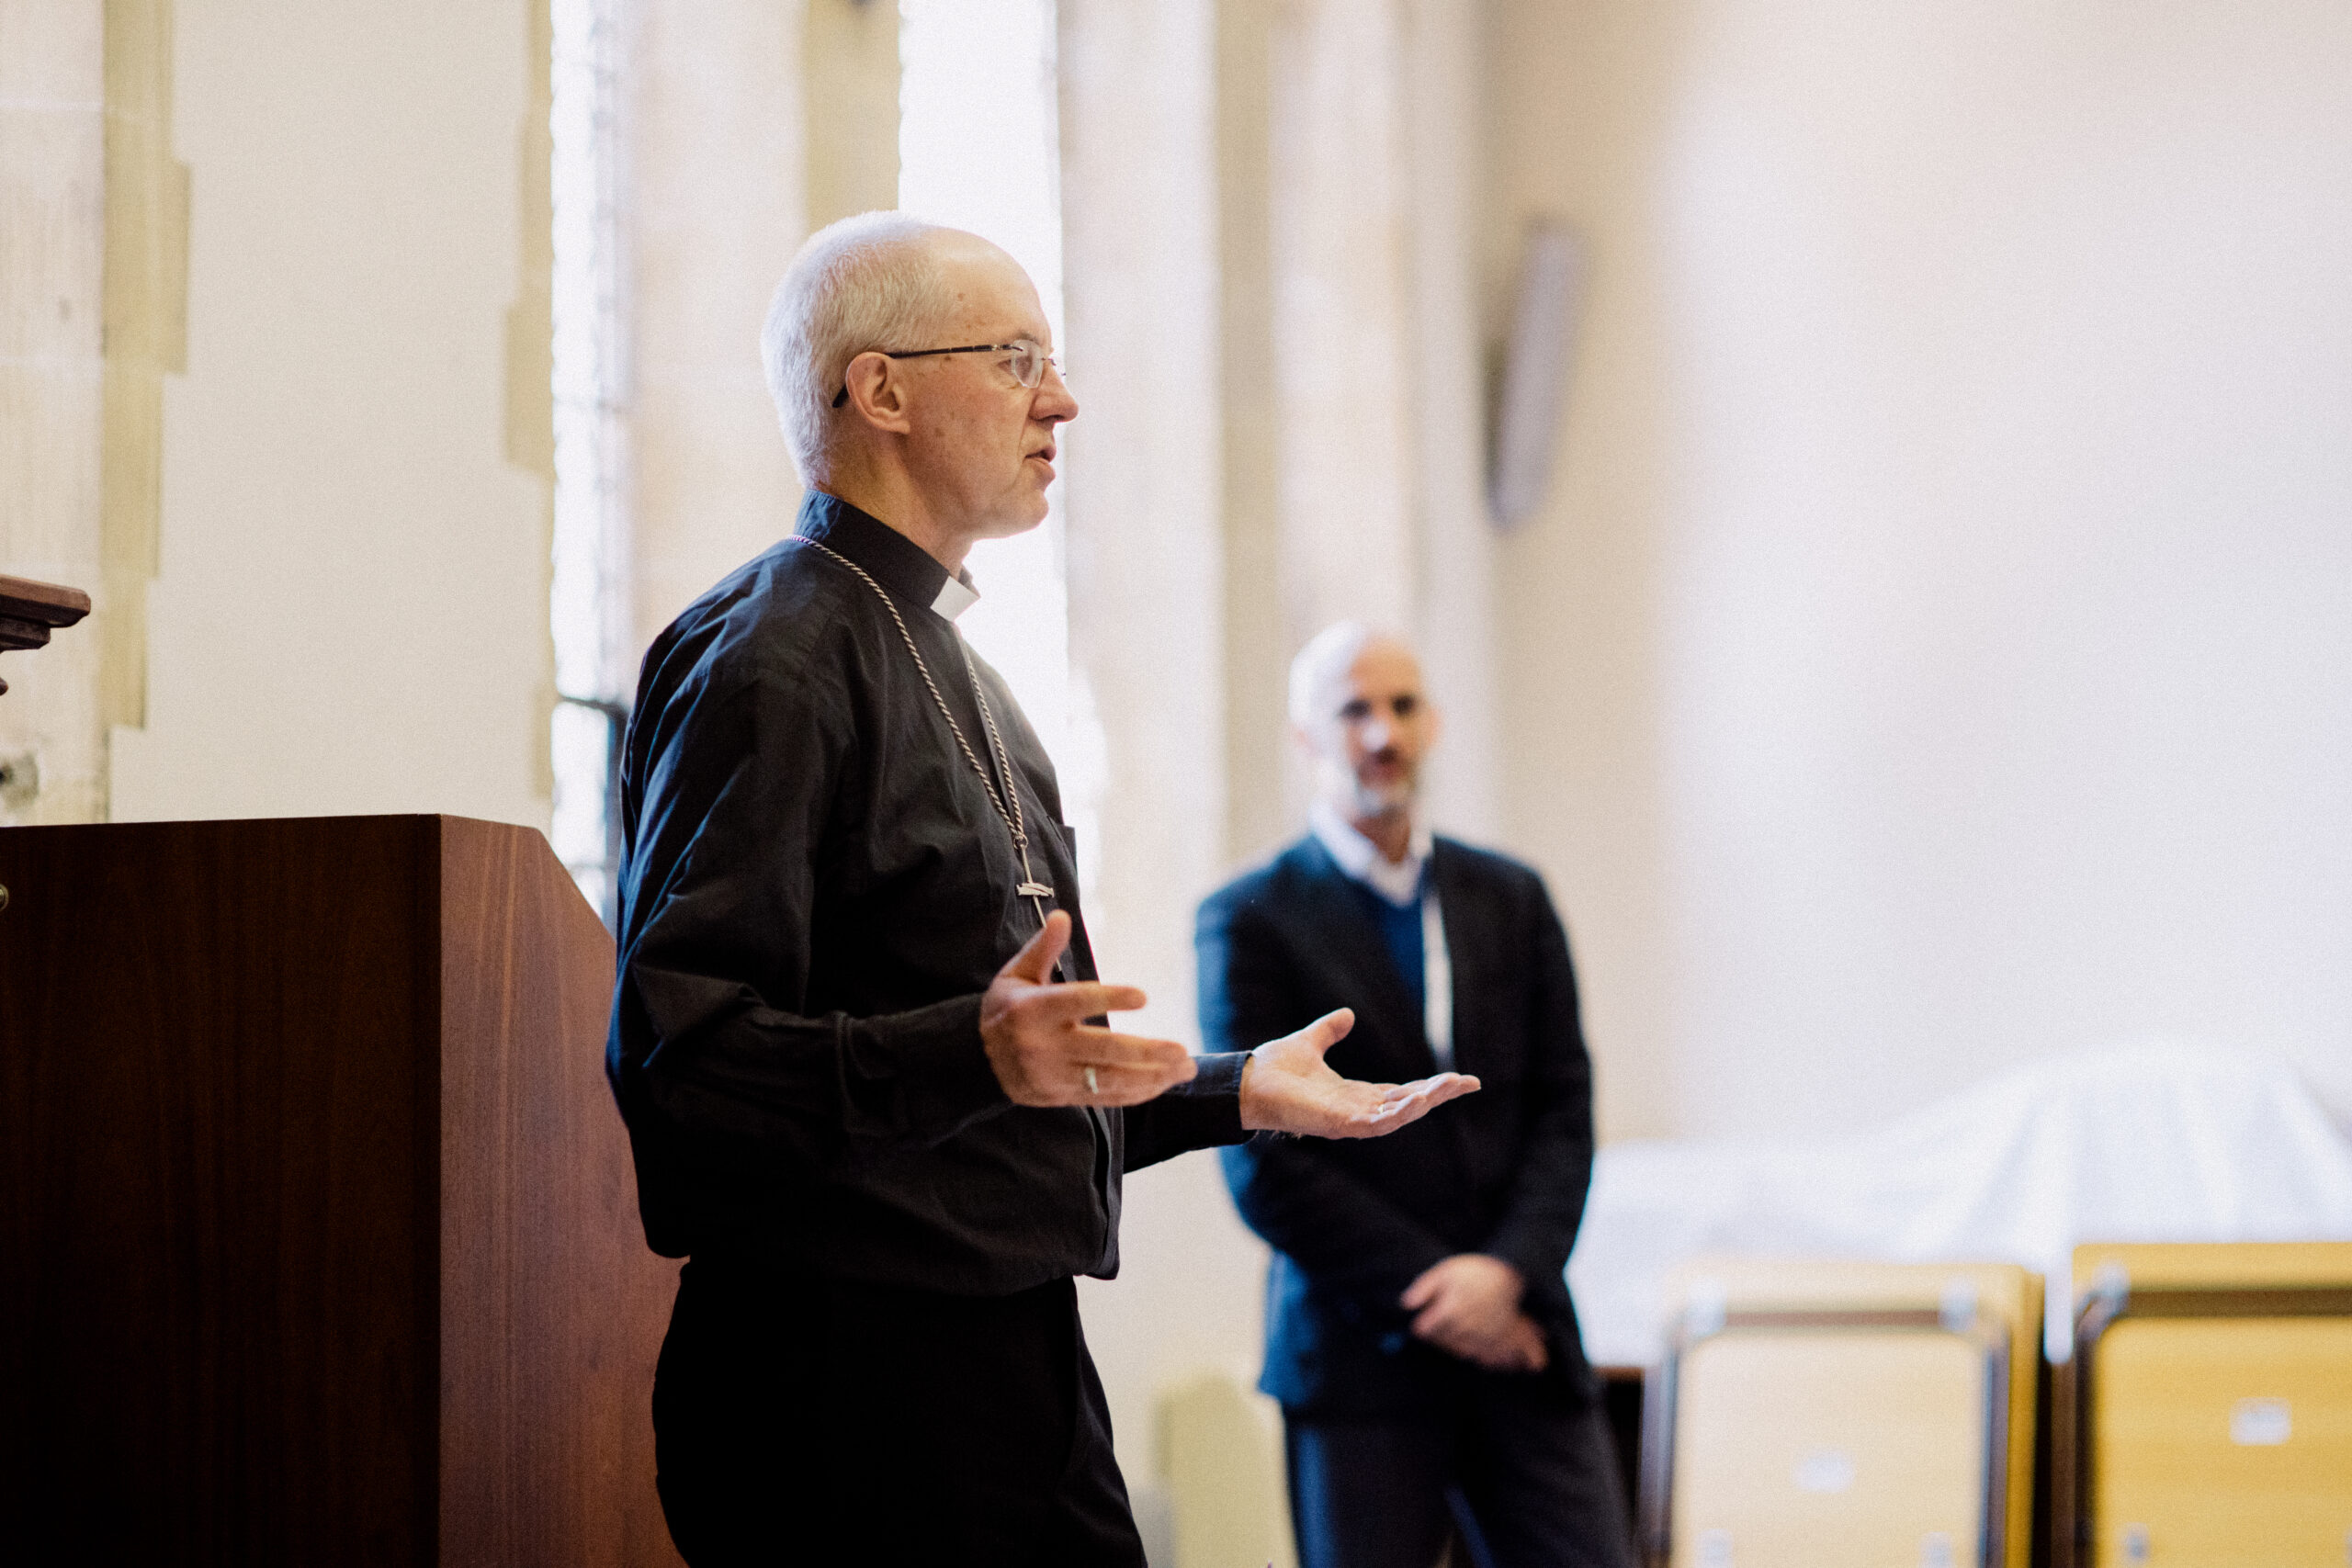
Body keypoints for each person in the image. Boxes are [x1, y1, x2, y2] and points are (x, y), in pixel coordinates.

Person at [605, 213, 1479, 1568]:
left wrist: (1231, 1088)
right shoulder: (771, 656)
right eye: (1017, 359)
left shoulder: (976, 682)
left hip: (1012, 1356)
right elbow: (680, 1056)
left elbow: (1015, 1085)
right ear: (880, 389)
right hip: (841, 1384)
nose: (1060, 400)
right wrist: (969, 1048)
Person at [1196, 623, 1636, 1568]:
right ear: (1308, 737)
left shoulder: (1512, 898)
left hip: (1523, 1335)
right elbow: (1261, 1163)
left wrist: (1507, 1275)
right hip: (1359, 1357)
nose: (1380, 734)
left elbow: (1564, 1109)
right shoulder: (1249, 919)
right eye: (1352, 710)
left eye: (1400, 707)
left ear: (1432, 724)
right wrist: (1439, 1297)